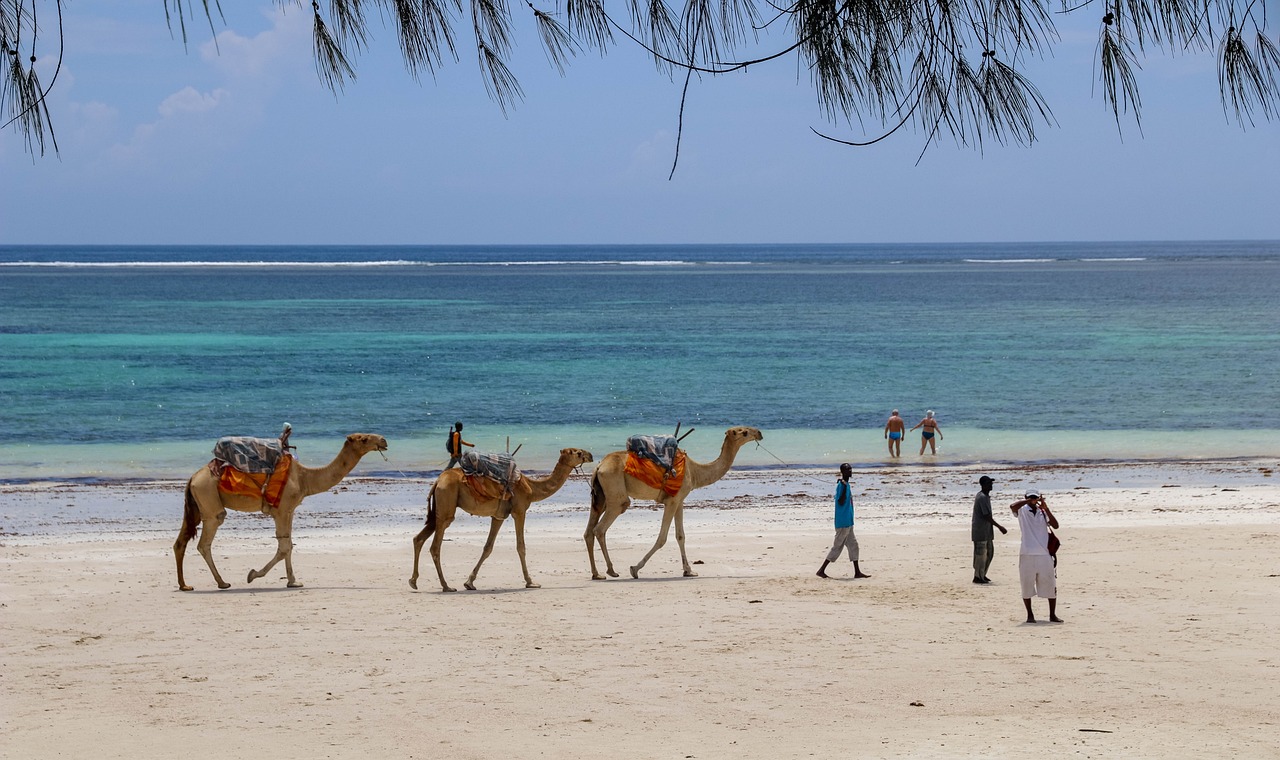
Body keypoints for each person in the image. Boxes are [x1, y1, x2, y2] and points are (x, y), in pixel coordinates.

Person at [1011, 488, 1062, 623]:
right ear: (1026, 497)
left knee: (1050, 585)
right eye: (1031, 498)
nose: (1033, 500)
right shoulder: (1022, 511)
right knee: (1026, 585)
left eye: (1035, 498)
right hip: (1027, 553)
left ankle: (1052, 615)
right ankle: (1030, 615)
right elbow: (1012, 506)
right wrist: (1028, 501)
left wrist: (1046, 508)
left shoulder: (1042, 512)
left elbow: (1055, 525)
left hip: (1044, 555)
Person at [817, 463, 870, 579]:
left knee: (854, 545)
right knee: (837, 547)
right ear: (842, 472)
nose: (850, 471)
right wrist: (843, 485)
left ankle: (857, 572)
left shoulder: (845, 484)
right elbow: (840, 501)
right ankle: (821, 570)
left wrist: (844, 484)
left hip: (848, 522)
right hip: (843, 522)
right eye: (847, 470)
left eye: (850, 469)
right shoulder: (842, 485)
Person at [971, 475, 1007, 584]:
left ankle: (983, 574)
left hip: (987, 531)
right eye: (988, 483)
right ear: (983, 485)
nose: (991, 485)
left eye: (991, 483)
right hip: (980, 531)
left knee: (989, 553)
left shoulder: (986, 496)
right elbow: (986, 516)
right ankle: (978, 576)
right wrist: (999, 527)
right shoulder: (981, 497)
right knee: (980, 554)